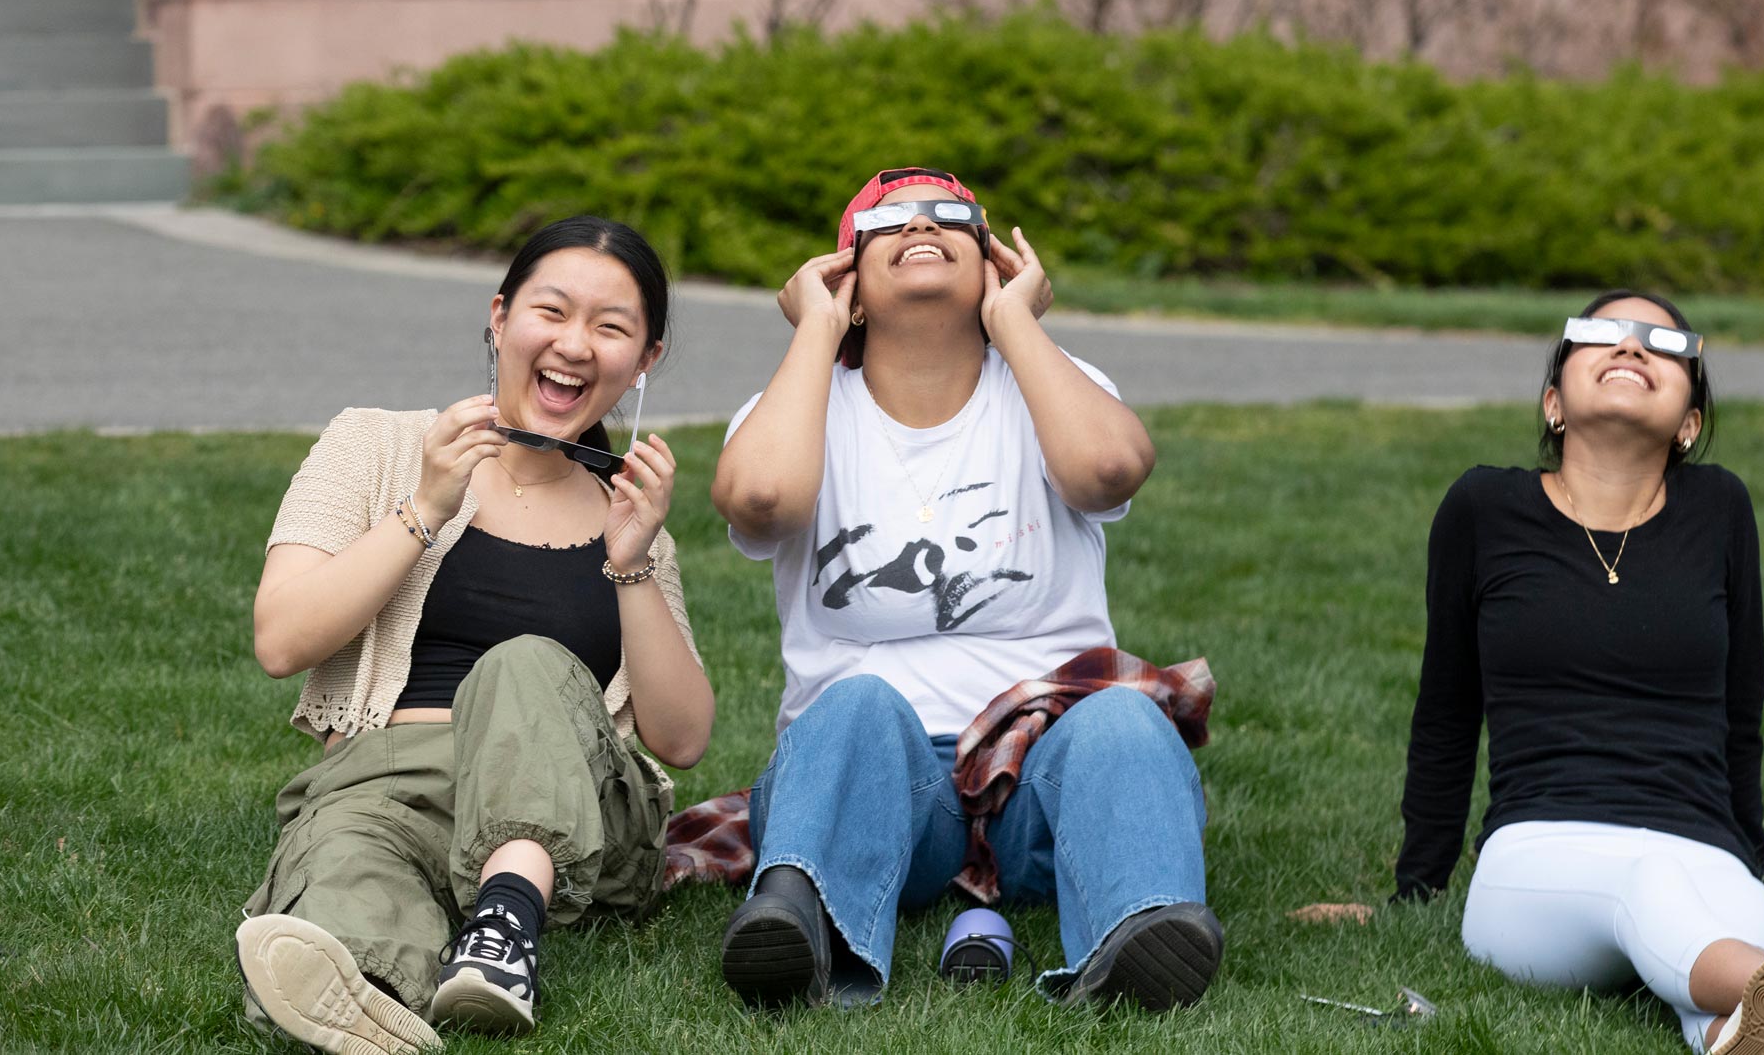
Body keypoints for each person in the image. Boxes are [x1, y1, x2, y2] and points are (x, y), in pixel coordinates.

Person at [708, 169, 1221, 1011]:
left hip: (1044, 771)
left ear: (992, 265)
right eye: (887, 221)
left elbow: (1110, 469)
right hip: (879, 792)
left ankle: (1143, 925)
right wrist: (813, 334)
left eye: (953, 217)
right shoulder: (794, 404)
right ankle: (800, 919)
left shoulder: (1055, 380)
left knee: (1126, 714)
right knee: (855, 704)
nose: (923, 225)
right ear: (848, 284)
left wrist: (1013, 323)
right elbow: (763, 499)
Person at [1396, 290, 1764, 1054]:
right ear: (1553, 401)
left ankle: (1740, 1027)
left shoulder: (1720, 507)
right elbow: (1445, 709)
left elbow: (1742, 711)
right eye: (1601, 334)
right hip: (1537, 861)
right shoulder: (1484, 506)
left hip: (1703, 853)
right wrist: (1415, 888)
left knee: (1695, 918)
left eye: (1662, 344)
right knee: (1648, 887)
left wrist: (1750, 860)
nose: (1631, 347)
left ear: (1689, 423)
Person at [234, 216, 712, 1054]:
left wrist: (632, 563)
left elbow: (682, 735)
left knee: (523, 664)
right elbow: (281, 639)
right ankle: (371, 998)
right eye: (551, 311)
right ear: (500, 319)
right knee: (346, 856)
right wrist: (423, 508)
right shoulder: (377, 444)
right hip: (390, 782)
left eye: (610, 327)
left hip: (580, 817)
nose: (574, 344)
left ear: (645, 361)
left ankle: (505, 927)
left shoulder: (631, 516)